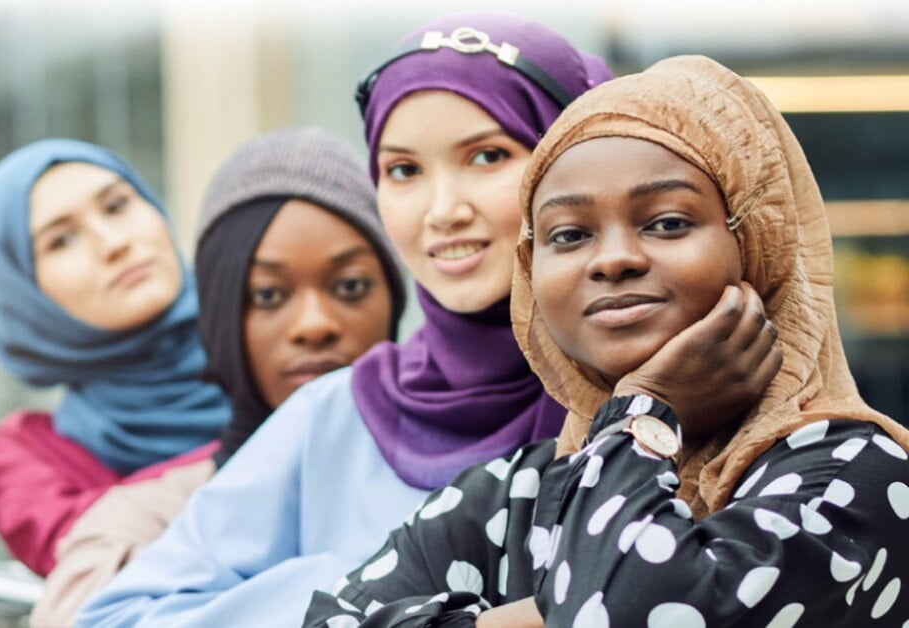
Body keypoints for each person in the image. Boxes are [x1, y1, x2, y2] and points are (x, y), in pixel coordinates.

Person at [303, 55, 909, 627]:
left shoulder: (859, 473)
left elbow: (628, 610)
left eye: (668, 222)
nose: (614, 259)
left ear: (758, 243)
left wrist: (647, 411)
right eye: (569, 235)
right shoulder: (516, 491)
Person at [76, 12, 614, 627]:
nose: (442, 210)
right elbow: (113, 618)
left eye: (487, 156)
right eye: (404, 170)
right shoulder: (334, 418)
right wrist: (351, 591)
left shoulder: (681, 392)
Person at [29, 127, 405, 626]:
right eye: (268, 295)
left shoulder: (481, 476)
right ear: (221, 317)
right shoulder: (143, 525)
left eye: (351, 286)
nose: (315, 325)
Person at [0, 139, 230, 578]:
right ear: (23, 295)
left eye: (117, 205)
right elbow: (119, 581)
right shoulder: (30, 459)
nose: (114, 243)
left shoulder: (287, 351)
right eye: (61, 240)